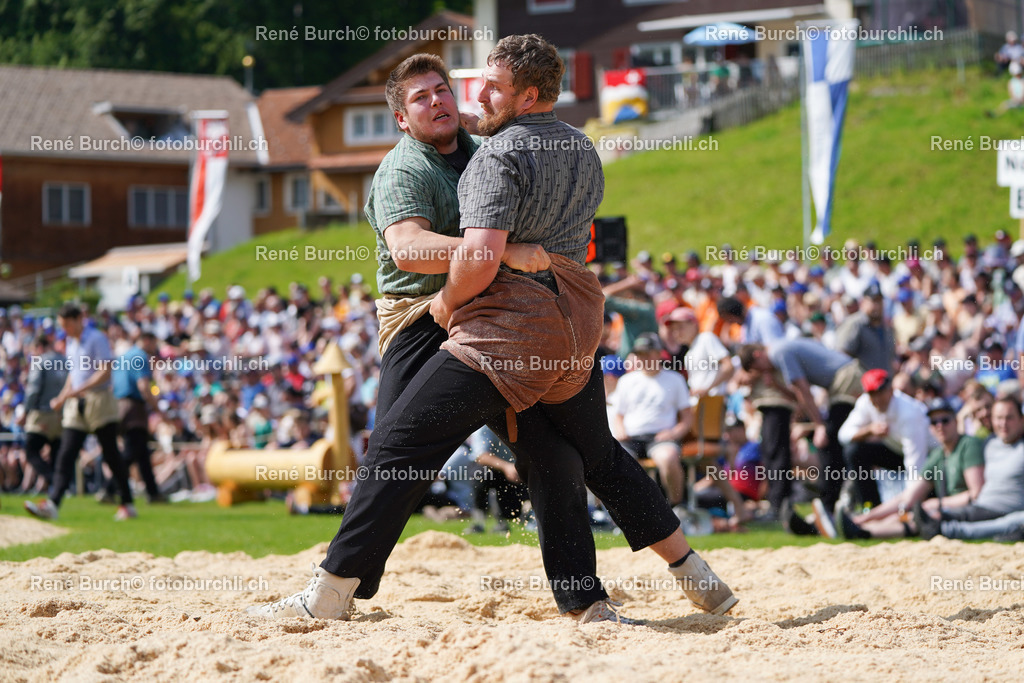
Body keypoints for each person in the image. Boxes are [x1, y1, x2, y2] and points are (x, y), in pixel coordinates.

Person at [247, 36, 735, 623]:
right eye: (421, 98)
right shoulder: (410, 166)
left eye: (446, 90)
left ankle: (334, 592)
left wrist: (484, 266)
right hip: (426, 317)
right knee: (518, 454)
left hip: (487, 317)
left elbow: (485, 234)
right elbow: (407, 249)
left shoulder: (490, 148)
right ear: (402, 118)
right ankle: (660, 579)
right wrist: (503, 255)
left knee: (434, 450)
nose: (443, 101)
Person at [25, 303, 136, 521]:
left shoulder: (96, 338)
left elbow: (105, 370)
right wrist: (64, 396)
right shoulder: (70, 343)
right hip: (77, 404)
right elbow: (74, 375)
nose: (64, 329)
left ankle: (128, 503)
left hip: (100, 401)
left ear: (78, 319)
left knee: (111, 455)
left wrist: (78, 390)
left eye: (66, 324)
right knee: (66, 455)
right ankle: (53, 503)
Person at [738, 338, 864, 520]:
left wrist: (819, 425)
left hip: (846, 379)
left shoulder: (779, 352)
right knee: (835, 445)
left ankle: (830, 506)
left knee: (830, 443)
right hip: (844, 379)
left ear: (758, 355)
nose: (764, 371)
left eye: (759, 367)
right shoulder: (782, 349)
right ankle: (837, 503)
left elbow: (802, 389)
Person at [837, 398, 984, 539]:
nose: (939, 426)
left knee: (919, 516)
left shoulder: (968, 445)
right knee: (911, 511)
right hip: (946, 510)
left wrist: (939, 504)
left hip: (968, 512)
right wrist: (867, 517)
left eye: (945, 420)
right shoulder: (938, 454)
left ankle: (863, 532)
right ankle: (859, 525)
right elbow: (908, 497)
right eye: (934, 422)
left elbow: (976, 495)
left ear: (956, 421)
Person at [916, 395, 1024, 538]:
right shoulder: (989, 443)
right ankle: (938, 526)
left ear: (1021, 420)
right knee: (945, 515)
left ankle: (944, 530)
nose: (1003, 423)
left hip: (1010, 509)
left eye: (1009, 417)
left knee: (1009, 521)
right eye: (998, 418)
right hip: (982, 505)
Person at [612, 333, 692, 510]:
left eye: (647, 353)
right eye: (640, 354)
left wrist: (672, 433)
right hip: (630, 439)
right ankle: (625, 511)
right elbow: (618, 415)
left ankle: (676, 506)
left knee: (668, 458)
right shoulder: (626, 381)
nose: (643, 358)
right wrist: (620, 430)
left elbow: (687, 418)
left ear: (659, 353)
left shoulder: (675, 379)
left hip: (661, 437)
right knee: (614, 461)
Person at [837, 369, 931, 516]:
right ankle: (870, 507)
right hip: (897, 452)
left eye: (880, 392)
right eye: (871, 394)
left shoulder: (909, 412)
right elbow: (843, 435)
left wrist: (907, 505)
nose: (876, 399)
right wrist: (869, 430)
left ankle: (911, 511)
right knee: (854, 451)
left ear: (891, 390)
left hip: (928, 458)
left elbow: (915, 463)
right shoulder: (865, 403)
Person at [103, 331, 163, 503]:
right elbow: (143, 386)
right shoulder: (140, 356)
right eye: (153, 343)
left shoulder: (122, 357)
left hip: (119, 406)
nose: (155, 348)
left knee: (142, 453)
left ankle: (153, 493)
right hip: (133, 408)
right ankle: (109, 488)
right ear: (146, 340)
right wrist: (157, 409)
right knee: (130, 452)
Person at [22, 334, 66, 493]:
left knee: (30, 450)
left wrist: (25, 412)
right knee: (55, 453)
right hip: (60, 414)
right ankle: (57, 488)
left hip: (41, 413)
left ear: (39, 347)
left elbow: (33, 391)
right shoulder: (64, 360)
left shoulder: (40, 361)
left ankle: (53, 480)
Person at [834, 282, 896, 372]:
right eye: (873, 301)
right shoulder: (855, 324)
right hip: (861, 383)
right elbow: (841, 356)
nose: (877, 306)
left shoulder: (886, 326)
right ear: (863, 302)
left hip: (885, 383)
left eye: (879, 301)